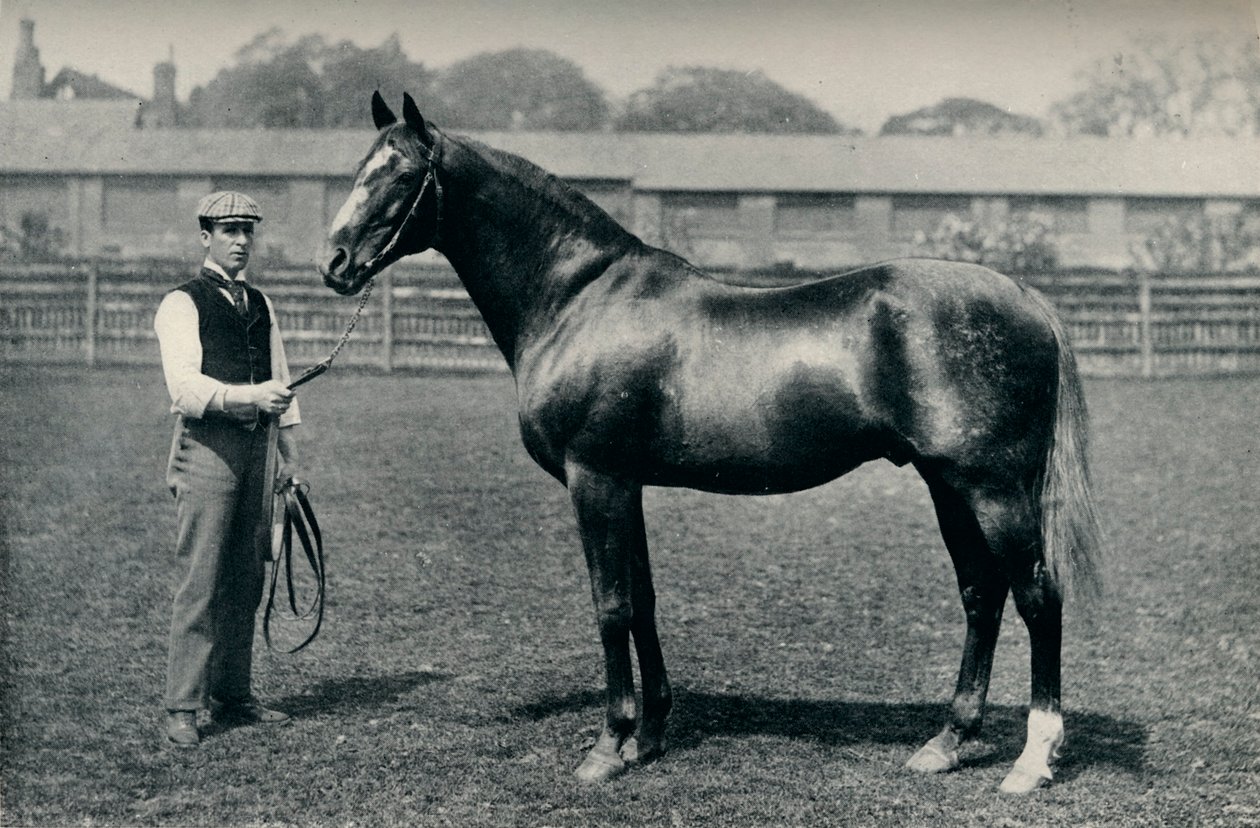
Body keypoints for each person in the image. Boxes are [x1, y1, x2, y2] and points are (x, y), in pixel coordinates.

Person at [153, 191, 300, 748]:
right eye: (229, 230)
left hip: (260, 453)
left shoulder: (261, 303)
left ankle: (233, 694)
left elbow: (283, 386)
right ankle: (183, 705)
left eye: (248, 231)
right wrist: (248, 398)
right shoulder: (181, 303)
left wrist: (292, 465)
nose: (241, 241)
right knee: (202, 579)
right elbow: (184, 388)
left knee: (246, 577)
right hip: (207, 451)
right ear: (205, 236)